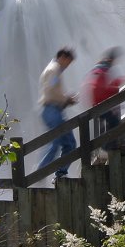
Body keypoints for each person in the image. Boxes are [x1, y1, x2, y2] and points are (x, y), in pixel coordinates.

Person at [36, 47, 77, 178]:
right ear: (63, 57)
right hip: (51, 110)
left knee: (69, 143)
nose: (68, 65)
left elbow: (52, 90)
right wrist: (66, 98)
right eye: (68, 62)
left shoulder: (54, 69)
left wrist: (65, 99)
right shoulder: (54, 69)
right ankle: (40, 171)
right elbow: (50, 90)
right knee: (56, 142)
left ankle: (61, 172)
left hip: (55, 110)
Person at [88, 47, 123, 164]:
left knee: (107, 125)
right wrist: (116, 88)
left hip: (98, 103)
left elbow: (103, 85)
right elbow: (103, 88)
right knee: (114, 122)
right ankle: (105, 149)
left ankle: (104, 149)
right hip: (102, 104)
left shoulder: (99, 69)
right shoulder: (103, 69)